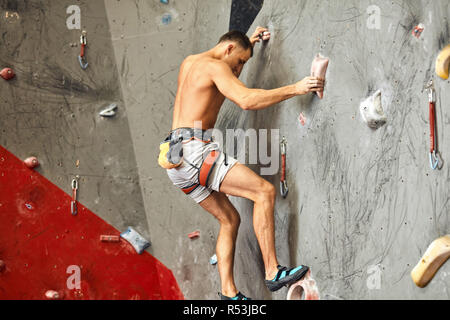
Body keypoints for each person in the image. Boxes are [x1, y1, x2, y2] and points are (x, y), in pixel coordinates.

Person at [160, 27, 324, 300]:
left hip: (174, 161)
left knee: (229, 219)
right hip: (195, 152)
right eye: (240, 63)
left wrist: (249, 42)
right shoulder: (216, 68)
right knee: (264, 191)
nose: (238, 71)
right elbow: (246, 100)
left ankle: (228, 293)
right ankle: (273, 272)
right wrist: (295, 88)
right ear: (228, 50)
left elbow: (227, 54)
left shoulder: (191, 62)